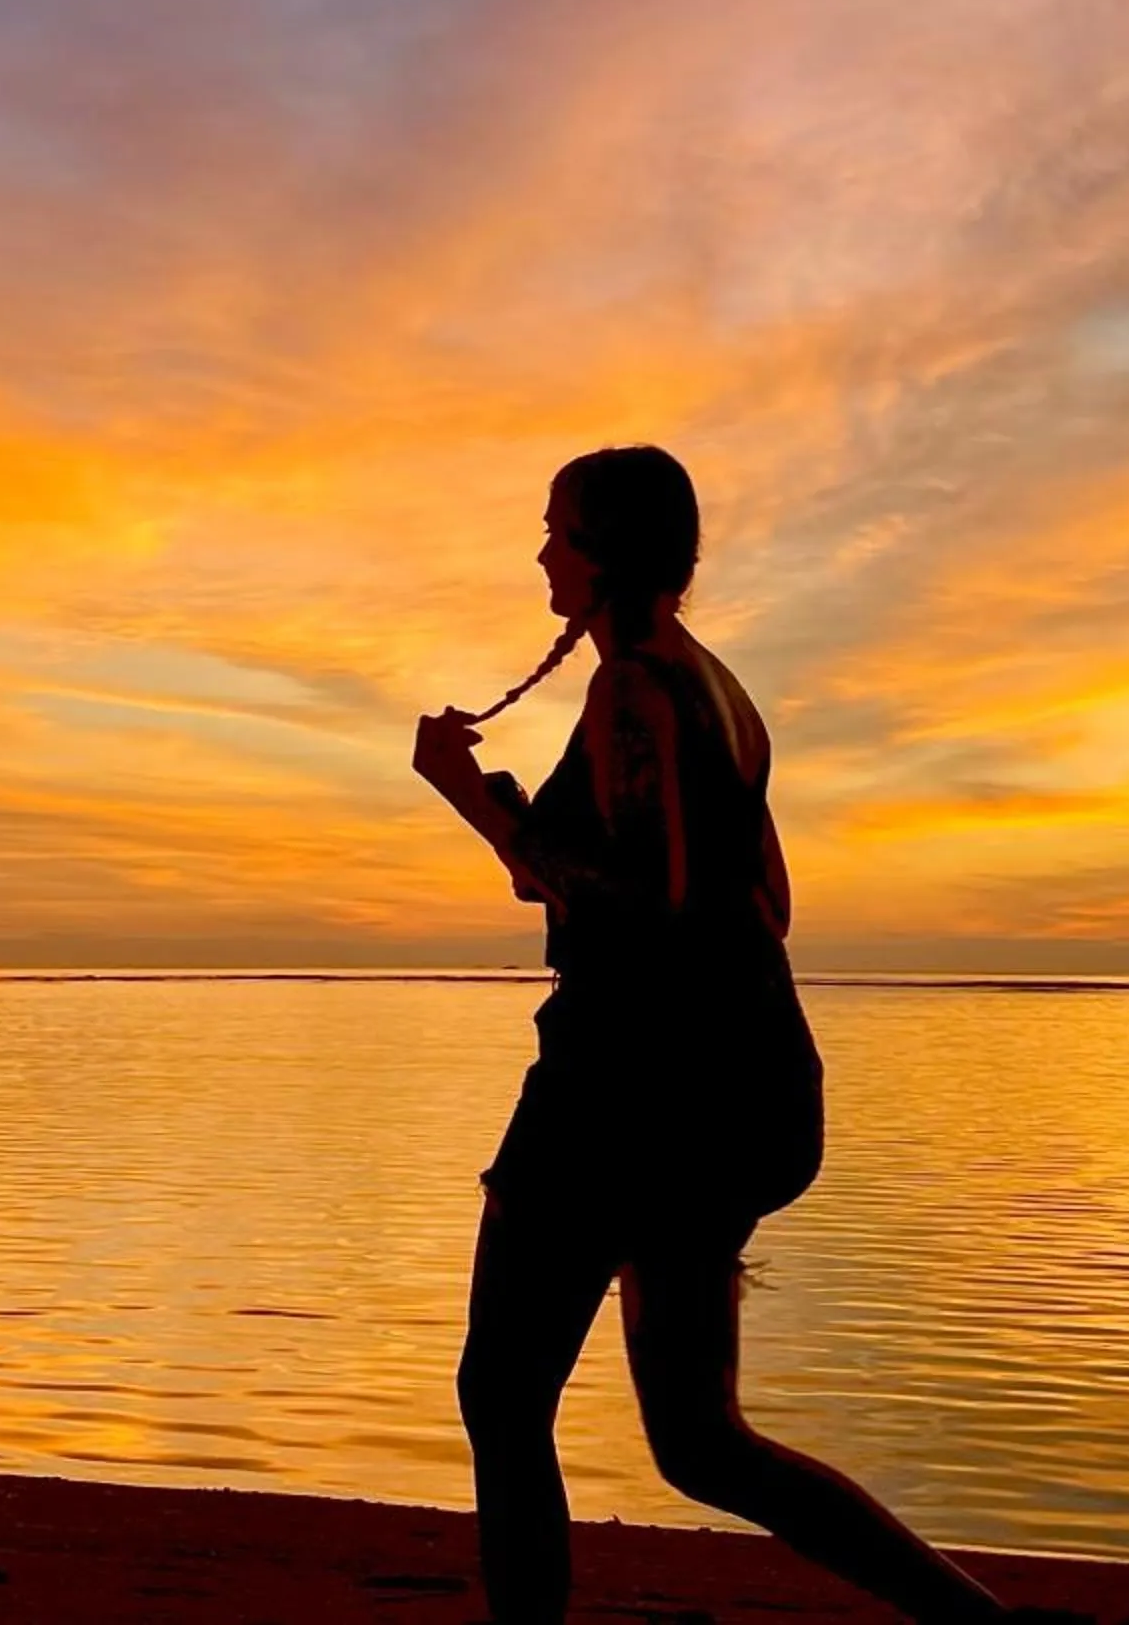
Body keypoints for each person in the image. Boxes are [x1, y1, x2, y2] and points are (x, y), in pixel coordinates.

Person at [413, 446, 1009, 1625]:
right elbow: (760, 902)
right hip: (742, 1082)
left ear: (606, 551)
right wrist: (535, 833)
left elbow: (650, 902)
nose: (541, 553)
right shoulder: (714, 687)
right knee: (697, 1442)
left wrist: (472, 802)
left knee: (504, 1394)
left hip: (628, 1088)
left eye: (558, 532)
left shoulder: (635, 690)